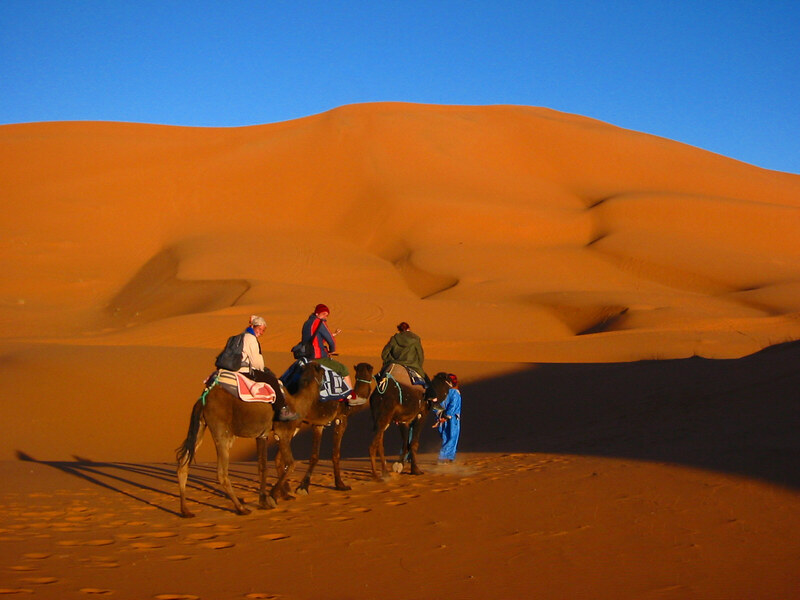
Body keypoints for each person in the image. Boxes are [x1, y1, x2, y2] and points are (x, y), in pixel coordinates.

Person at [301, 304, 364, 406]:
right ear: (317, 313)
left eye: (327, 315)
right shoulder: (320, 323)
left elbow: (315, 339)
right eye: (324, 314)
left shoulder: (307, 323)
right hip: (317, 357)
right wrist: (332, 349)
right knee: (343, 369)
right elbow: (331, 340)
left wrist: (331, 335)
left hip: (306, 356)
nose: (325, 316)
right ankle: (351, 396)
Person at [241, 315, 298, 421]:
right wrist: (262, 369)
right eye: (260, 329)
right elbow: (256, 361)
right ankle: (282, 409)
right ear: (253, 327)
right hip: (246, 370)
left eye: (263, 331)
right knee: (272, 380)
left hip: (238, 368)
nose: (261, 332)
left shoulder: (243, 335)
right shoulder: (251, 339)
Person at [435, 373, 462, 463]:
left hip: (442, 418)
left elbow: (435, 406)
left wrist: (440, 415)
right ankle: (444, 458)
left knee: (445, 437)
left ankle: (449, 457)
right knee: (452, 437)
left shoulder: (441, 393)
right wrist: (446, 416)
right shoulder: (455, 393)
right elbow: (453, 406)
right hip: (452, 418)